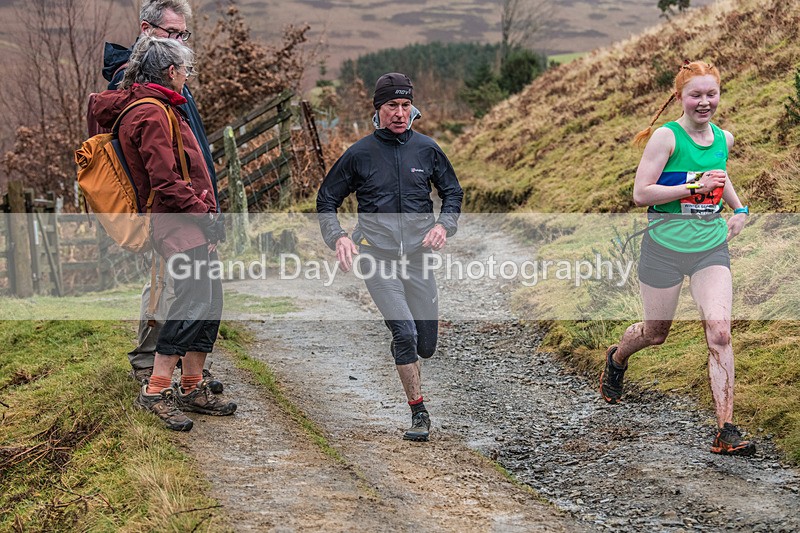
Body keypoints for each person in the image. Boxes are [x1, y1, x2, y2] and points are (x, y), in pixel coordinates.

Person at [600, 60, 754, 456]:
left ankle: (726, 430)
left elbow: (719, 173)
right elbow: (641, 193)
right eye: (696, 95)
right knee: (655, 334)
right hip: (663, 250)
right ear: (680, 97)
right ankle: (617, 358)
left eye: (711, 94)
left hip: (709, 247)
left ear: (719, 94)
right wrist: (690, 186)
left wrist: (739, 210)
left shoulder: (724, 137)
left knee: (719, 331)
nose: (704, 103)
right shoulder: (665, 138)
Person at [91, 36, 235, 431]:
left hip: (189, 223)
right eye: (186, 70)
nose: (187, 77)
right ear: (172, 72)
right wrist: (205, 213)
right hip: (178, 224)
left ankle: (191, 385)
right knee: (190, 303)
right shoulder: (151, 113)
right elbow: (166, 181)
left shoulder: (159, 107)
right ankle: (155, 390)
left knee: (209, 301)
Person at [317, 73, 463, 442]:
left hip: (418, 257)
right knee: (404, 330)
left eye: (404, 106)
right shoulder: (359, 154)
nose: (399, 113)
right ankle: (419, 413)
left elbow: (453, 193)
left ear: (412, 108)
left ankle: (408, 346)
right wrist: (338, 238)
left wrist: (444, 226)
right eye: (391, 106)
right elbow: (326, 200)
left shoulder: (428, 149)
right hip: (376, 256)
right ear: (377, 110)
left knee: (425, 344)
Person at [102, 0, 221, 388]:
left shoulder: (165, 92)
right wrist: (201, 209)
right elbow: (163, 173)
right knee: (170, 290)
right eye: (173, 33)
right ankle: (153, 373)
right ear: (146, 28)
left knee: (191, 292)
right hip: (171, 213)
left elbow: (190, 150)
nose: (180, 41)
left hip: (188, 208)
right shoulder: (143, 92)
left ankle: (187, 375)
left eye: (183, 34)